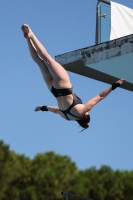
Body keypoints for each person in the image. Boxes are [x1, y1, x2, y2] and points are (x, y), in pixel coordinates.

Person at [21, 24, 126, 131]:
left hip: (63, 85)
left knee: (47, 59)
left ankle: (32, 36)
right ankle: (28, 39)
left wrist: (115, 85)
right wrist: (43, 108)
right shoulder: (66, 117)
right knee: (40, 62)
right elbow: (56, 110)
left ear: (86, 115)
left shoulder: (83, 110)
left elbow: (100, 96)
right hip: (53, 89)